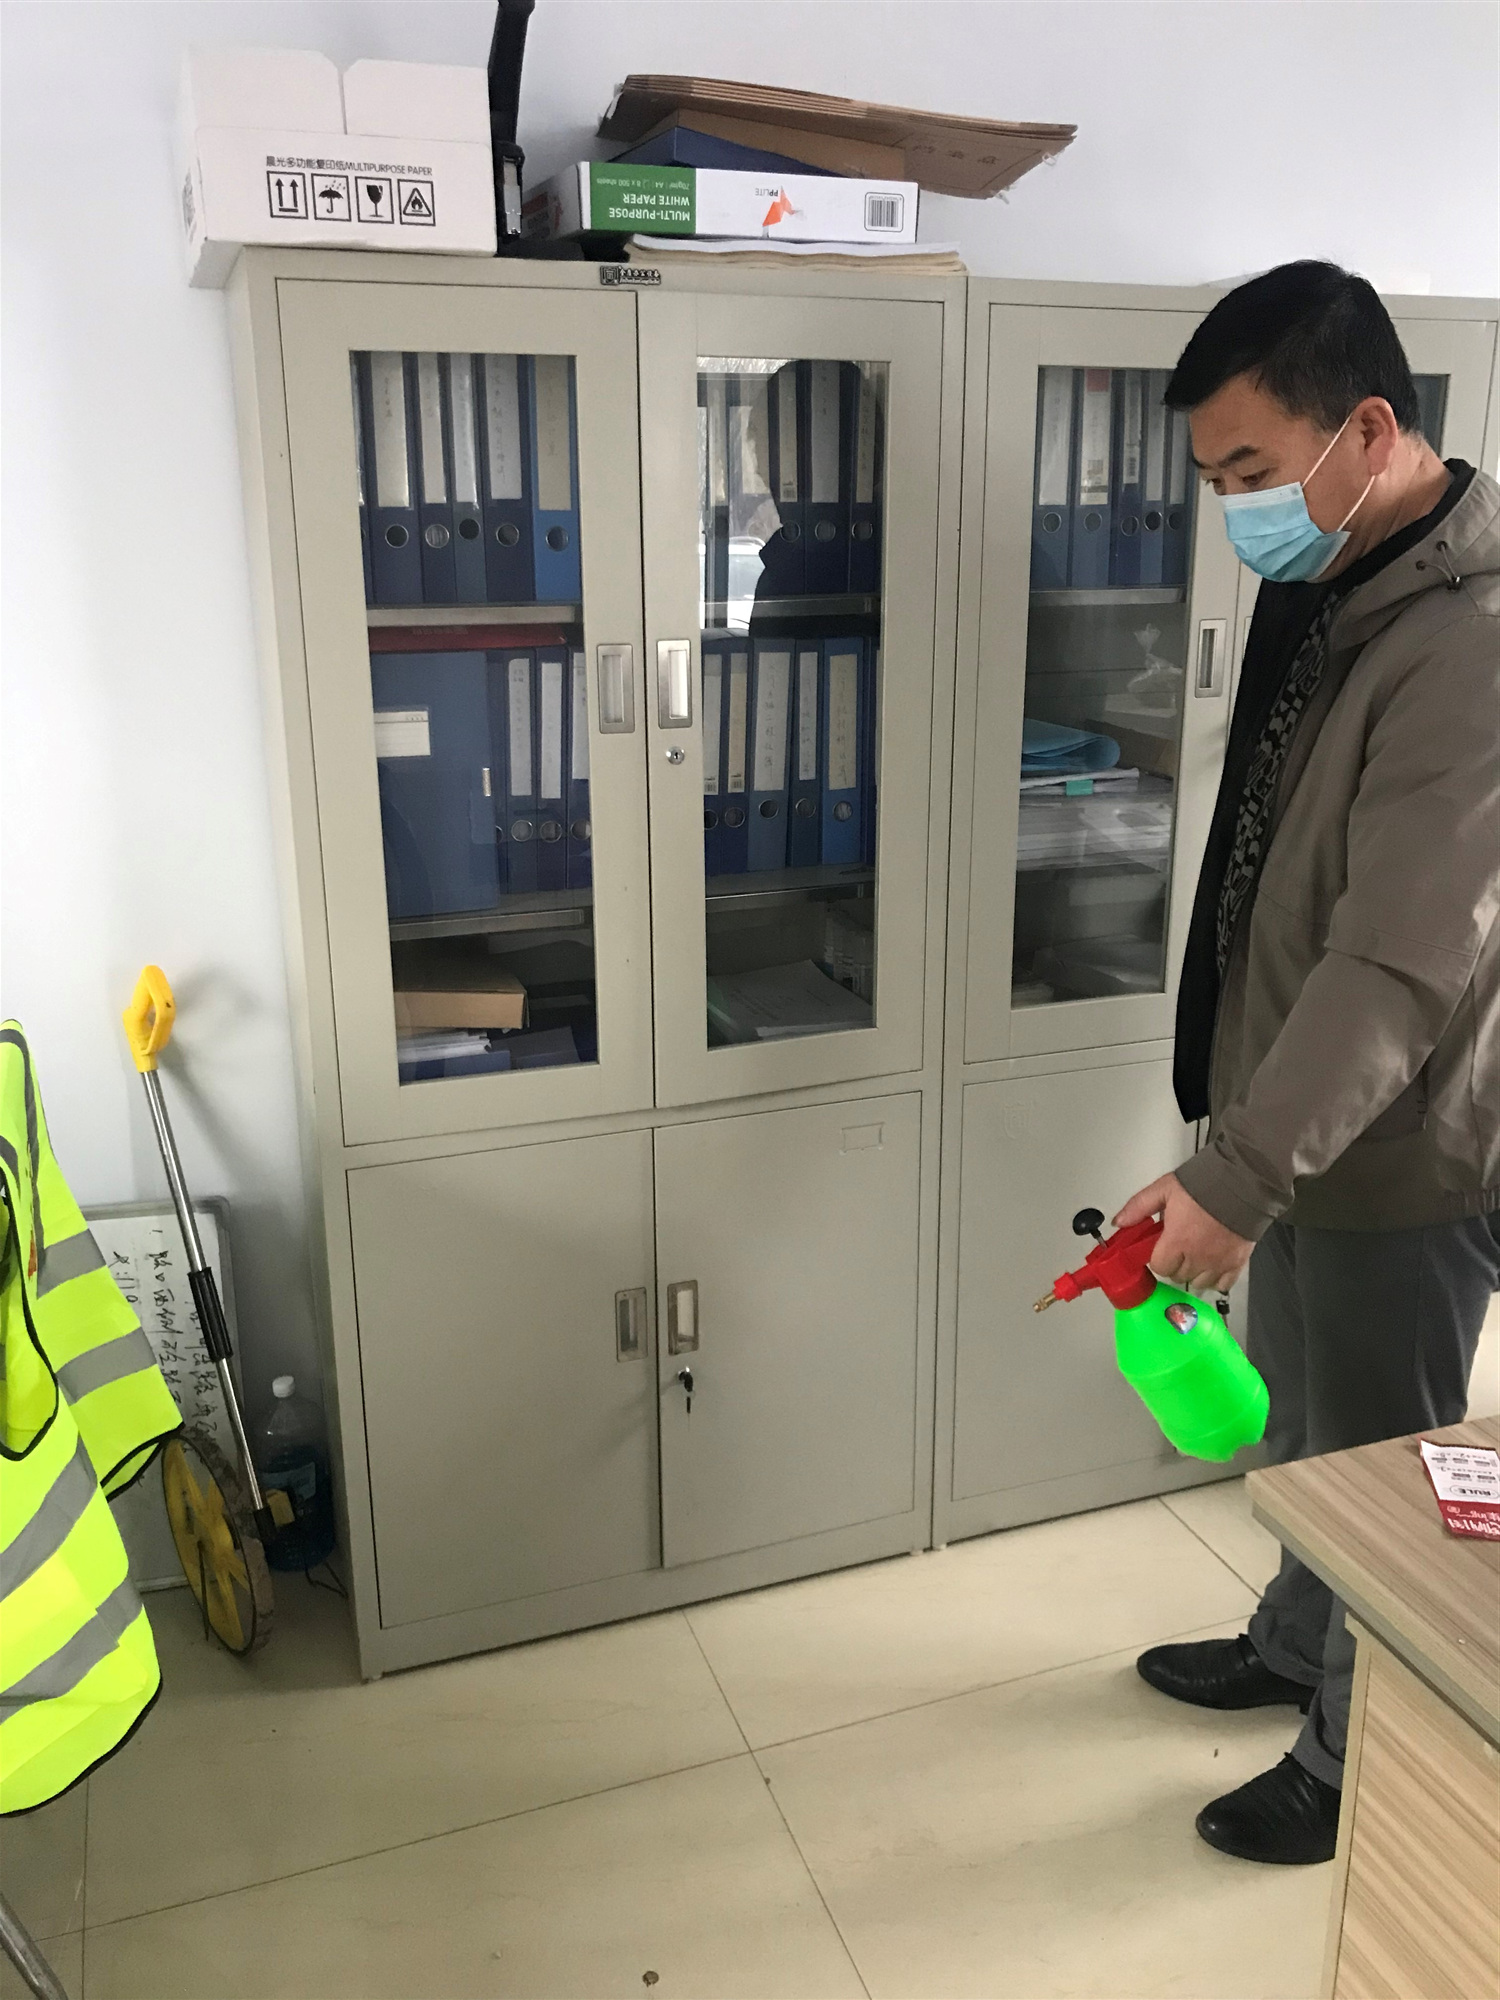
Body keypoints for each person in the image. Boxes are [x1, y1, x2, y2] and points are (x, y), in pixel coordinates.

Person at [1113, 262, 1500, 1865]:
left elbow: (1399, 958)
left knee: (1383, 1468)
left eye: (1251, 472)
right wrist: (1246, 1144)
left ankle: (1360, 1757)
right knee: (1307, 1425)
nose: (1234, 512)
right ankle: (1292, 1644)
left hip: (1395, 1151)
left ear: (1370, 429)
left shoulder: (1470, 646)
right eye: (1212, 480)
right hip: (1294, 1122)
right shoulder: (1350, 584)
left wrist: (1243, 1171)